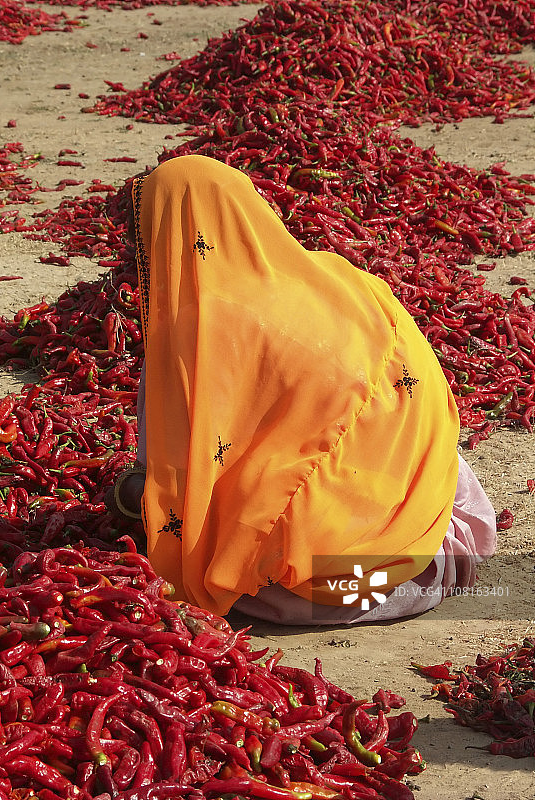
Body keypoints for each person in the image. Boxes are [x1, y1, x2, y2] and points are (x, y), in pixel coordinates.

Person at [108, 154, 497, 625]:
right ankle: (402, 529)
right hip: (424, 523)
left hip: (323, 582)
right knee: (397, 430)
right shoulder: (344, 280)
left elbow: (174, 481)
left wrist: (132, 496)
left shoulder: (193, 337)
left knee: (213, 549)